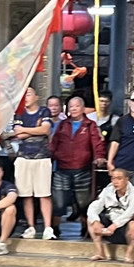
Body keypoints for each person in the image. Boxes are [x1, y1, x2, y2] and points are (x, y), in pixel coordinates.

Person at [49, 94, 103, 241]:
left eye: (77, 106)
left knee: (83, 203)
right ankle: (55, 229)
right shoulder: (62, 125)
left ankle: (85, 229)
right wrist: (51, 157)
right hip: (62, 168)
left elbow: (97, 142)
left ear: (83, 108)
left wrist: (99, 156)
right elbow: (54, 143)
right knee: (59, 201)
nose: (74, 109)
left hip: (83, 168)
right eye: (71, 106)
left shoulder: (90, 125)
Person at [8, 88, 56, 240]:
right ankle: (30, 227)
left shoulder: (44, 111)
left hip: (42, 157)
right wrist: (36, 129)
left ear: (36, 97)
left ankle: (48, 227)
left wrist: (26, 130)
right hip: (23, 157)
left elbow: (46, 130)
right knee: (26, 194)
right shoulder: (19, 113)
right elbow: (18, 133)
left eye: (28, 95)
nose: (26, 98)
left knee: (44, 194)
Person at [86, 167, 134, 264]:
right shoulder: (107, 190)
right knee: (91, 219)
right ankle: (100, 252)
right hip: (110, 223)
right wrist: (96, 221)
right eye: (113, 178)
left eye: (119, 178)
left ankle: (129, 254)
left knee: (133, 224)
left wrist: (114, 225)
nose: (115, 182)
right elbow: (95, 206)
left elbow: (130, 212)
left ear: (127, 180)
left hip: (125, 227)